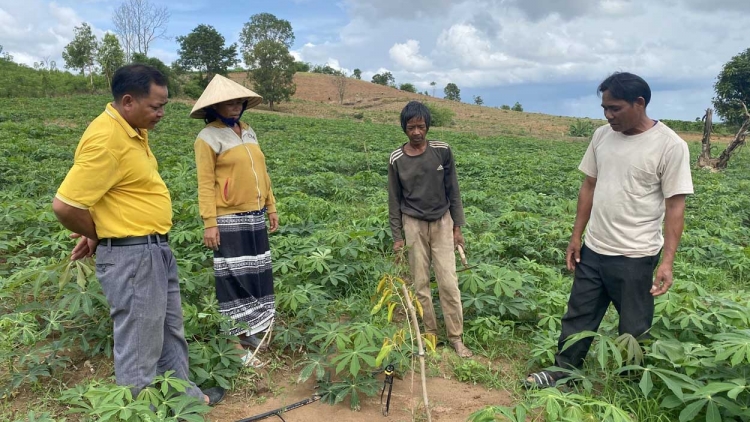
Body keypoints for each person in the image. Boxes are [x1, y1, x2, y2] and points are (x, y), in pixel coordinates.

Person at [52, 64, 225, 406]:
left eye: (163, 105)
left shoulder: (131, 129)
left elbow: (112, 194)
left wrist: (101, 227)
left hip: (153, 249)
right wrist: (100, 233)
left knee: (168, 330)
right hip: (132, 256)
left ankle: (183, 399)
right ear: (128, 101)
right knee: (139, 342)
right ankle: (139, 409)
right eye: (155, 106)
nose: (161, 113)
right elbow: (65, 206)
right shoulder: (106, 139)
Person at [524, 72, 694, 388]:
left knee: (633, 326)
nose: (608, 115)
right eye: (605, 108)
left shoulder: (670, 146)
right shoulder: (602, 136)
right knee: (578, 315)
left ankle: (631, 383)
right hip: (595, 248)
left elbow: (675, 207)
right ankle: (564, 372)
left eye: (615, 108)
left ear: (639, 103)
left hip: (636, 254)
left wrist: (668, 261)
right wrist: (577, 236)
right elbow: (589, 185)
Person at [190, 75, 278, 368]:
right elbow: (204, 183)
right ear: (214, 107)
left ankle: (252, 331)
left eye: (238, 101)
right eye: (228, 102)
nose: (235, 106)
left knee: (256, 274)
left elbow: (263, 173)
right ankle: (234, 342)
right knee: (232, 279)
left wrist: (271, 205)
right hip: (228, 218)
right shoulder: (208, 138)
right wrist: (209, 222)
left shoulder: (249, 131)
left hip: (255, 216)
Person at [388, 100, 473, 358]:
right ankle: (429, 335)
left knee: (448, 281)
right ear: (404, 128)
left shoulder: (442, 151)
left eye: (421, 126)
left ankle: (456, 338)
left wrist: (458, 227)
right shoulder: (397, 159)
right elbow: (394, 199)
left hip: (442, 221)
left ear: (427, 127)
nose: (416, 132)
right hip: (412, 223)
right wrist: (397, 237)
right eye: (411, 127)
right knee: (420, 283)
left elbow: (453, 190)